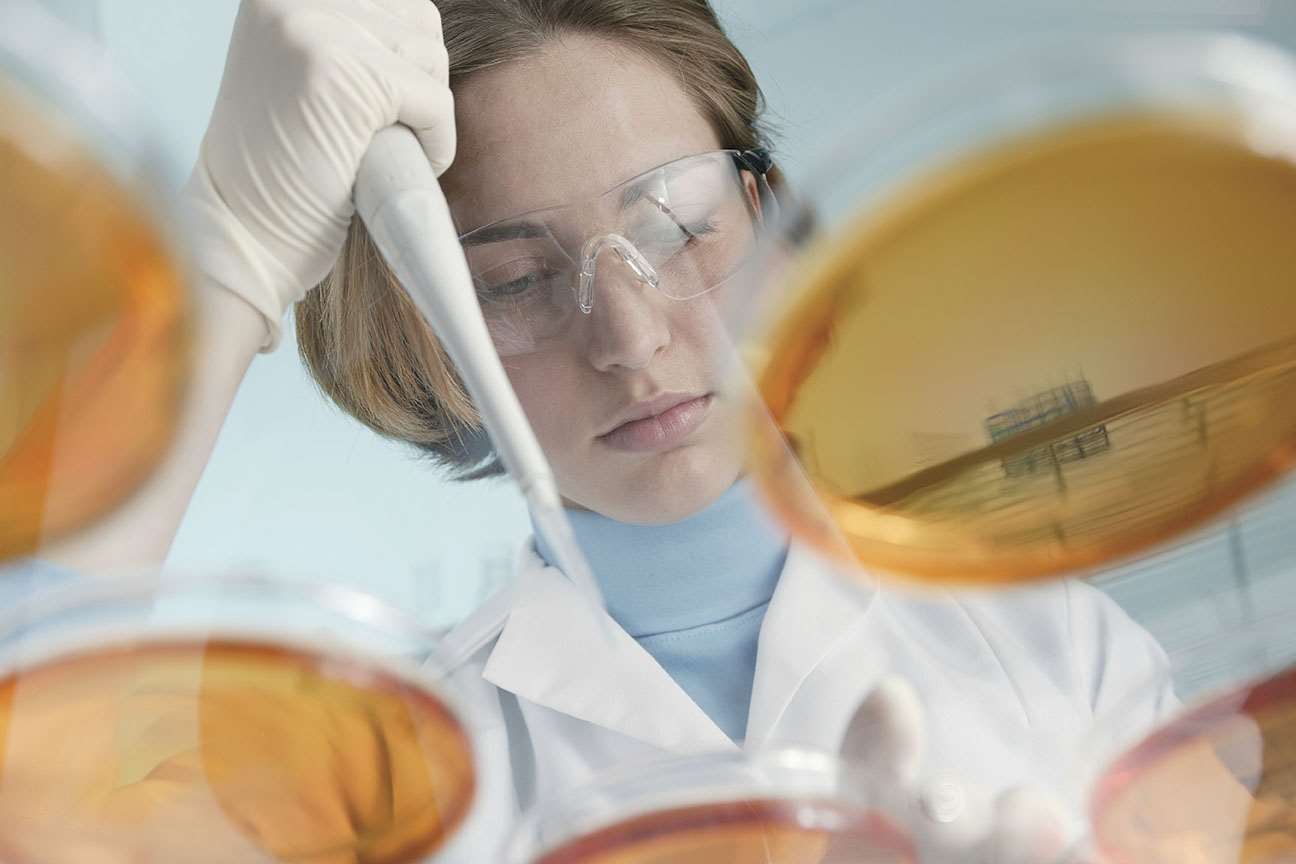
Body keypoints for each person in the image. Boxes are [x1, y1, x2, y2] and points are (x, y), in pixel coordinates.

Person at [38, 0, 1178, 859]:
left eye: (676, 226)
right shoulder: (397, 771)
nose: (627, 337)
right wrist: (221, 265)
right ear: (436, 339)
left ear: (767, 218)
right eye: (519, 281)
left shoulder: (1046, 647)